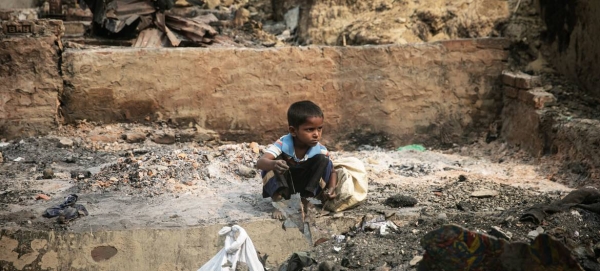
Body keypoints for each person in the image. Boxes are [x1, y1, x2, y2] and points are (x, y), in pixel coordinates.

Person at [256, 101, 337, 220]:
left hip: (304, 187)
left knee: (325, 161)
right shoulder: (282, 144)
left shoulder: (320, 150)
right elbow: (260, 163)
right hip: (285, 185)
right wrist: (274, 164)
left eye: (319, 129)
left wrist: (331, 188)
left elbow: (333, 171)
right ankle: (280, 201)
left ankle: (306, 201)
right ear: (293, 131)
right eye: (309, 130)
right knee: (272, 162)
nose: (316, 134)